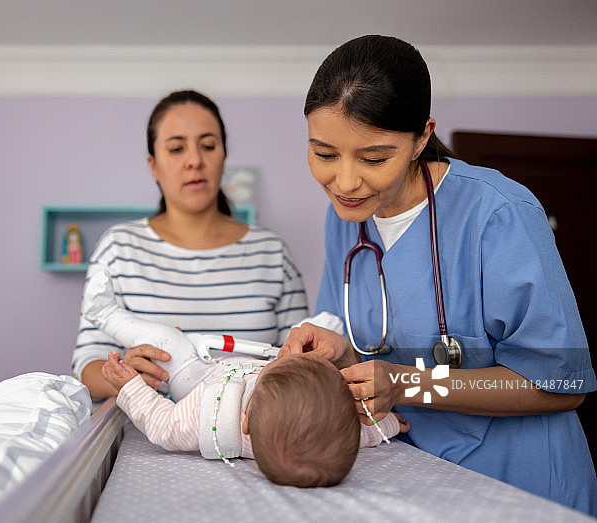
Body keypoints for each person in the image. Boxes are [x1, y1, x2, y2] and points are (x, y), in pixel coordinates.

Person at [279, 34, 596, 514]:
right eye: (324, 154)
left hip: (522, 487)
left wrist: (407, 384)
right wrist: (340, 352)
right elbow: (371, 342)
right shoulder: (345, 219)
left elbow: (559, 386)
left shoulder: (496, 213)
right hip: (414, 483)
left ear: (422, 136)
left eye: (374, 158)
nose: (344, 182)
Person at [72, 90, 309, 398]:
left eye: (208, 146)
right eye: (176, 149)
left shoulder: (272, 253)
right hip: (142, 439)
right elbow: (85, 367)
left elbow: (301, 364)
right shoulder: (118, 249)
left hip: (254, 435)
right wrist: (124, 376)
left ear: (224, 156)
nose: (195, 161)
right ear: (154, 165)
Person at [102, 349, 408, 487]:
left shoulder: (210, 414)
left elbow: (162, 424)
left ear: (244, 421)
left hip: (194, 375)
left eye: (265, 370)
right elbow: (364, 430)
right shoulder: (341, 431)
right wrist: (391, 423)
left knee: (167, 346)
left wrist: (129, 386)